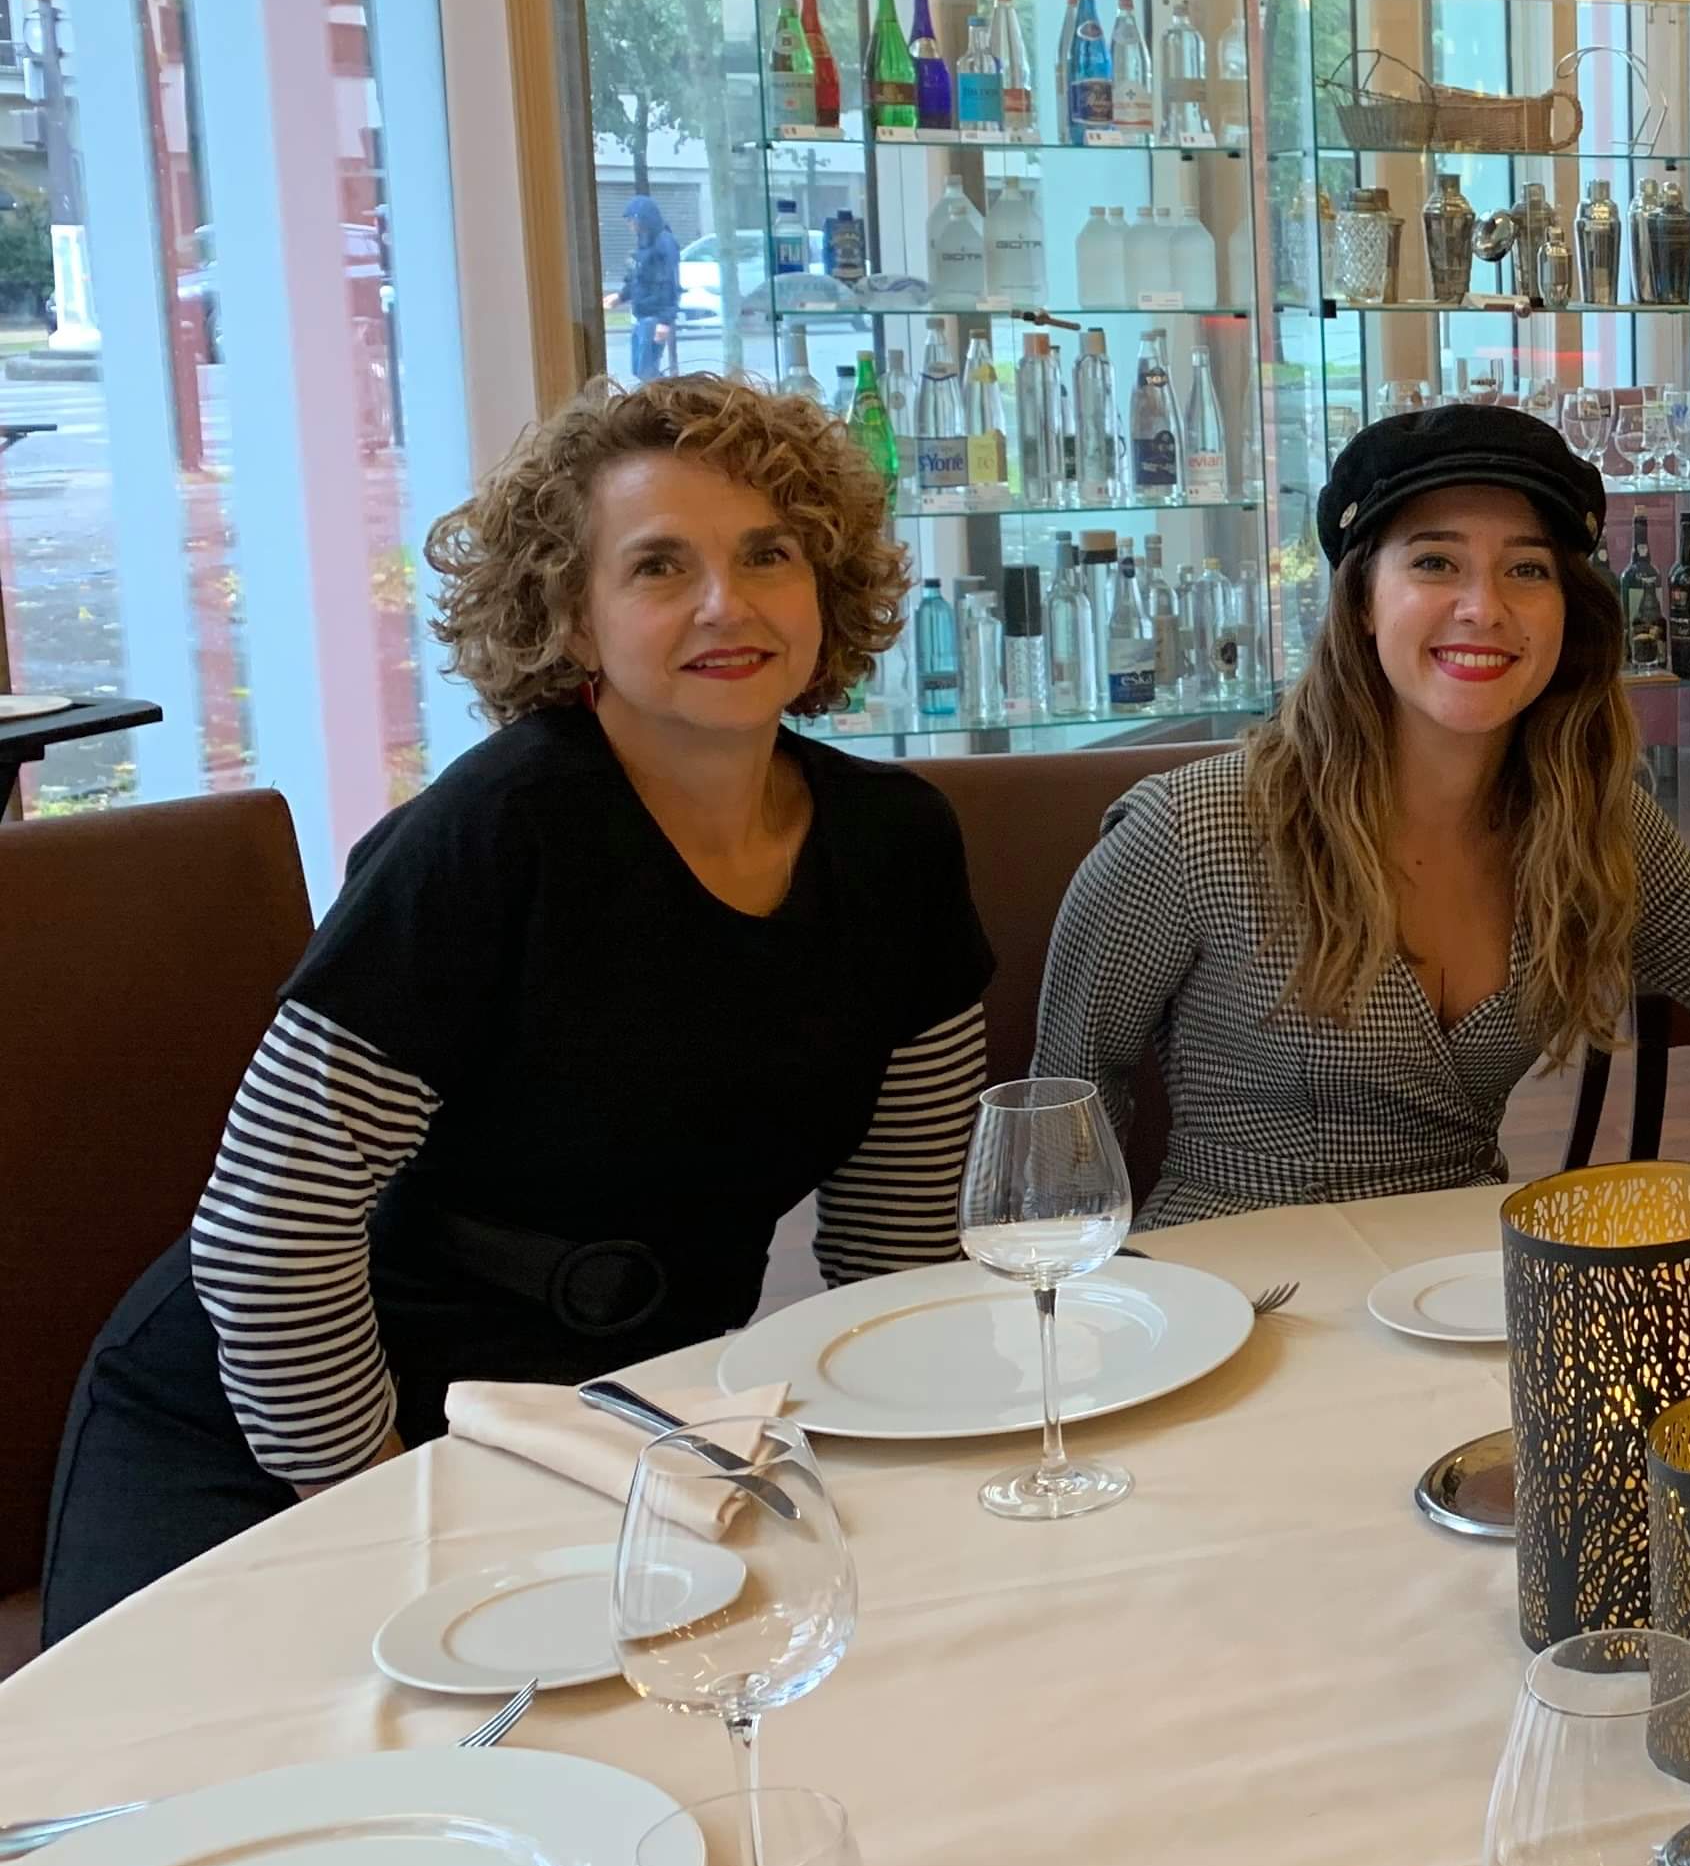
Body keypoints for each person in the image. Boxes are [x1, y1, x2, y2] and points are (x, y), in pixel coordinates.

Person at [43, 375, 989, 1640]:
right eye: (659, 566)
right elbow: (271, 1233)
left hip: (612, 1421)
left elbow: (897, 1239)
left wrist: (907, 1462)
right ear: (573, 620)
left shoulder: (896, 846)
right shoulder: (493, 835)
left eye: (770, 554)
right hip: (280, 1421)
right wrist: (373, 1507)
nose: (728, 602)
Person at [1035, 404, 1690, 1220]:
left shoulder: (1594, 820)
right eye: (1436, 562)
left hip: (1461, 1267)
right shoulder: (1191, 830)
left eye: (1527, 570)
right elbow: (1059, 1117)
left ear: (1569, 609)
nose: (1484, 607)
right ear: (1362, 599)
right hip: (1235, 1267)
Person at [621, 190, 681, 381]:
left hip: (654, 316)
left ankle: (661, 395)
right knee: (640, 369)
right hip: (643, 314)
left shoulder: (664, 242)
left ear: (642, 219)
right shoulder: (644, 242)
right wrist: (621, 296)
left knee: (646, 371)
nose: (630, 225)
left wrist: (665, 320)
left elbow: (670, 284)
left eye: (632, 220)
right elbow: (639, 277)